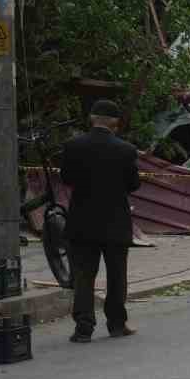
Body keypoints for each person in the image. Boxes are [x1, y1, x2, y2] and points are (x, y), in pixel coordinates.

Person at [58, 100, 142, 343]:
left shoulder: (73, 146)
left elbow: (66, 179)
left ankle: (83, 329)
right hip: (116, 222)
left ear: (91, 119)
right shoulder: (126, 150)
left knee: (84, 275)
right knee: (117, 275)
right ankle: (117, 324)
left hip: (82, 221)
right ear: (115, 123)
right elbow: (133, 185)